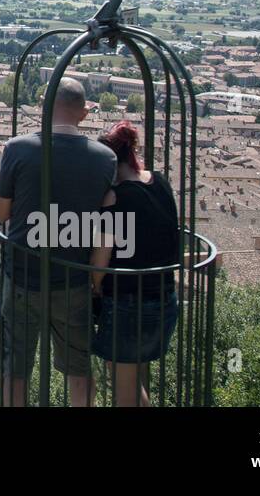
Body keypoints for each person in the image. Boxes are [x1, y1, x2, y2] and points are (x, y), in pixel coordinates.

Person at [0, 76, 117, 406]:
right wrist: (95, 278)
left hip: (21, 275)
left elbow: (1, 212)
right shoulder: (106, 159)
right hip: (73, 280)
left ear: (44, 107)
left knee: (15, 370)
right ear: (85, 113)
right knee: (79, 369)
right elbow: (108, 227)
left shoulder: (17, 149)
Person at [90, 121, 180, 407]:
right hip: (165, 301)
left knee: (123, 395)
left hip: (128, 305)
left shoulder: (114, 197)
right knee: (129, 384)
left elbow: (101, 260)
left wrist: (93, 286)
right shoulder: (161, 182)